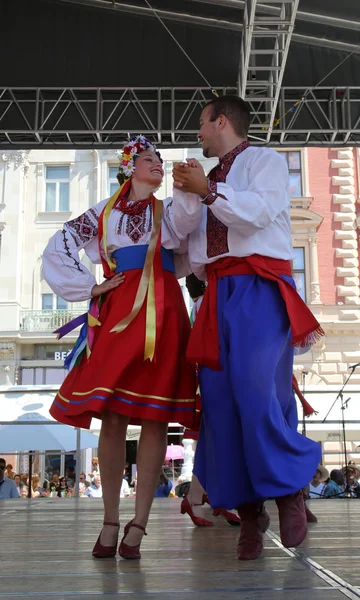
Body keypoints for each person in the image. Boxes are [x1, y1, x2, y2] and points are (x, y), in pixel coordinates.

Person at [171, 95, 323, 560]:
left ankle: (290, 489)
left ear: (221, 122)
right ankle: (250, 510)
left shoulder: (265, 162)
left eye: (201, 123)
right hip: (215, 294)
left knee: (257, 391)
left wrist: (207, 192)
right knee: (218, 403)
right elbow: (184, 248)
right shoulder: (202, 177)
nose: (197, 132)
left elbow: (258, 212)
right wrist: (188, 198)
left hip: (259, 285)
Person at [42, 135, 196, 560]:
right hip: (120, 309)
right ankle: (111, 519)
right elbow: (59, 244)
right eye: (149, 159)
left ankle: (139, 524)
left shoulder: (170, 209)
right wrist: (89, 287)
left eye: (160, 160)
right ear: (130, 166)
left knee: (155, 417)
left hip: (164, 310)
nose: (158, 164)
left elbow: (187, 235)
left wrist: (185, 189)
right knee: (112, 416)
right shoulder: (103, 213)